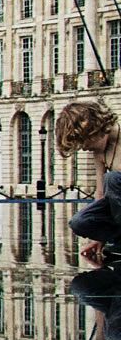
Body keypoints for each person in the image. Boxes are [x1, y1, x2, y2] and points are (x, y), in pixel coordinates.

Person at [59, 102, 121, 265]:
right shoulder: (99, 151)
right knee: (79, 221)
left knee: (112, 179)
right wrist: (99, 236)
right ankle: (116, 240)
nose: (85, 148)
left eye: (84, 142)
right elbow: (100, 194)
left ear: (94, 129)